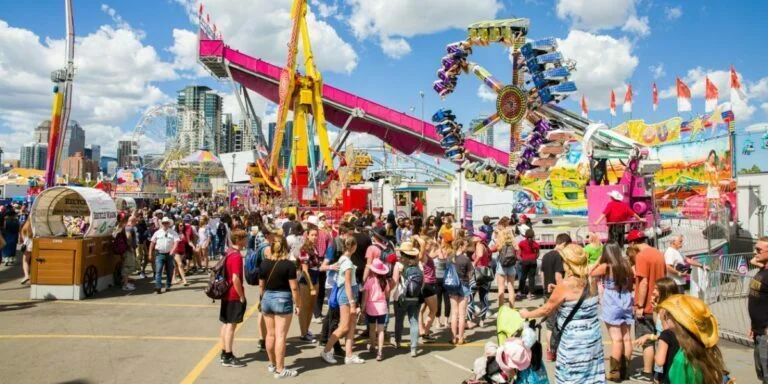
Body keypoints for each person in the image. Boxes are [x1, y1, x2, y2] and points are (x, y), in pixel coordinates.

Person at [520, 243, 605, 384]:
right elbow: (578, 299)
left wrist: (526, 314)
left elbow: (546, 309)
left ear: (568, 263)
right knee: (591, 375)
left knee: (573, 375)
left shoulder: (565, 285)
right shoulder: (592, 280)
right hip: (593, 337)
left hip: (573, 340)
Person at [656, 294, 727, 383]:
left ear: (676, 320)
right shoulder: (704, 349)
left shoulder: (681, 360)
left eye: (667, 315)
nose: (665, 317)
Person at [590, 242, 635, 381]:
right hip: (626, 298)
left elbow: (590, 272)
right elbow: (631, 281)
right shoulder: (626, 265)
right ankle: (625, 370)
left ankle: (615, 372)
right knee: (626, 337)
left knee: (616, 339)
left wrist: (598, 260)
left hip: (612, 300)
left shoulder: (606, 266)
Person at [627, 229, 667, 382]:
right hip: (660, 301)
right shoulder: (658, 253)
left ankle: (647, 372)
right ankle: (659, 371)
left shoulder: (641, 256)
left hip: (647, 305)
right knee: (660, 337)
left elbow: (643, 282)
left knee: (647, 340)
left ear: (632, 243)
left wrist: (639, 305)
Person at [259, 235, 300, 377]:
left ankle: (272, 364)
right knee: (281, 335)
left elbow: (261, 285)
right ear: (286, 248)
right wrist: (297, 304)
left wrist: (261, 299)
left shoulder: (264, 263)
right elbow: (294, 288)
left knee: (270, 334)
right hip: (283, 298)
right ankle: (280, 369)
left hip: (267, 298)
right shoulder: (289, 265)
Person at [321, 236, 365, 365]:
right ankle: (326, 350)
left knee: (351, 326)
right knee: (345, 326)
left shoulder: (343, 259)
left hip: (347, 295)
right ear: (354, 247)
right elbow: (347, 283)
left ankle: (349, 355)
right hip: (346, 295)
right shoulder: (347, 262)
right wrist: (352, 302)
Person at [218, 229, 248, 368]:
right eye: (245, 238)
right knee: (231, 325)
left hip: (226, 293)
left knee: (225, 323)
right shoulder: (236, 256)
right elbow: (236, 278)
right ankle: (228, 356)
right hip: (233, 294)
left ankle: (224, 352)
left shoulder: (229, 252)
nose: (247, 240)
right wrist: (241, 295)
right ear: (240, 240)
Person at [540, 233, 569, 361]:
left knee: (549, 325)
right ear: (563, 244)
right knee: (558, 324)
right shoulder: (559, 257)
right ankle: (556, 349)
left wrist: (544, 287)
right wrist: (562, 290)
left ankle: (549, 351)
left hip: (547, 292)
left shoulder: (545, 255)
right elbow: (558, 276)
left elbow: (542, 274)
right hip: (556, 293)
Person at [392, 241, 423, 357]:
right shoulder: (418, 265)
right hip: (415, 297)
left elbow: (395, 282)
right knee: (414, 321)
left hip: (401, 296)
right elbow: (422, 282)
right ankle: (414, 348)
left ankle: (398, 341)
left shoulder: (398, 265)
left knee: (399, 320)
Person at [361, 258, 391, 361]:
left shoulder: (369, 282)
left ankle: (373, 346)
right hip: (382, 307)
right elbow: (387, 296)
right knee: (381, 330)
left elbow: (365, 297)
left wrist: (362, 308)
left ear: (373, 270)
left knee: (372, 328)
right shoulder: (385, 281)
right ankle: (380, 352)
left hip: (371, 307)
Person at [749, 237, 768, 384]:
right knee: (761, 371)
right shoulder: (763, 268)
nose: (755, 253)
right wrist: (753, 325)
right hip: (758, 330)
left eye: (758, 250)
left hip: (766, 333)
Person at [297, 226, 319, 343]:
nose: (315, 237)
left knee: (311, 307)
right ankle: (303, 333)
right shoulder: (304, 249)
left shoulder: (314, 248)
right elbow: (305, 270)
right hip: (306, 281)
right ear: (307, 235)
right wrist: (311, 286)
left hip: (315, 278)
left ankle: (306, 330)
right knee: (304, 308)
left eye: (316, 235)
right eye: (312, 235)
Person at [449, 238, 472, 345]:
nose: (466, 247)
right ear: (461, 246)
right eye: (465, 245)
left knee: (454, 313)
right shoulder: (466, 259)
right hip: (464, 285)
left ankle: (453, 338)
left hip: (453, 285)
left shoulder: (450, 258)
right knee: (462, 314)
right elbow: (470, 274)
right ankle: (461, 338)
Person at [149, 217, 180, 294]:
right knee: (158, 270)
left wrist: (172, 250)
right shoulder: (157, 232)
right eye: (163, 223)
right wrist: (149, 253)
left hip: (169, 254)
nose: (165, 224)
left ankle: (168, 285)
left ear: (169, 224)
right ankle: (158, 286)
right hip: (159, 254)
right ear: (162, 224)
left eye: (166, 223)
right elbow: (152, 243)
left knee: (170, 271)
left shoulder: (173, 232)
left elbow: (176, 242)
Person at [467, 233, 492, 328]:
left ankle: (469, 320)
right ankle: (482, 321)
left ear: (480, 238)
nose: (473, 237)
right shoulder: (484, 245)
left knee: (470, 297)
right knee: (484, 297)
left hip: (477, 273)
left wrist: (474, 264)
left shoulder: (479, 245)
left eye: (475, 236)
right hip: (485, 273)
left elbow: (480, 255)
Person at [494, 228, 518, 309]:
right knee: (511, 288)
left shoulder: (500, 242)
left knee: (501, 289)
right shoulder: (514, 243)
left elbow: (494, 249)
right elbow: (518, 250)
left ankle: (501, 309)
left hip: (502, 266)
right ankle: (512, 308)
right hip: (511, 266)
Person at [517, 229, 540, 300]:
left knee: (523, 277)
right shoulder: (535, 244)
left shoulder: (522, 243)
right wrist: (534, 257)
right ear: (533, 235)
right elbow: (538, 254)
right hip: (533, 261)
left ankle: (520, 292)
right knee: (531, 278)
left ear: (525, 235)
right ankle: (530, 294)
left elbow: (519, 253)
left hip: (525, 261)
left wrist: (521, 258)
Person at [435, 241, 452, 328]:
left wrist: (438, 247)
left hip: (437, 279)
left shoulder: (436, 259)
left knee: (438, 300)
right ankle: (446, 321)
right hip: (446, 280)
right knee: (447, 300)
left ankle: (437, 322)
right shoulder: (449, 259)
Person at [172, 221, 191, 286]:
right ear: (177, 226)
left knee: (176, 266)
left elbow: (189, 242)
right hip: (175, 251)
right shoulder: (174, 233)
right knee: (180, 264)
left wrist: (194, 246)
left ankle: (173, 279)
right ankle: (184, 280)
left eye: (183, 225)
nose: (182, 226)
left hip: (182, 251)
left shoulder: (185, 233)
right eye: (180, 225)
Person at [19, 220, 32, 284]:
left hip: (28, 245)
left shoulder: (27, 224)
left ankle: (26, 275)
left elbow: (23, 233)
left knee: (25, 260)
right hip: (37, 243)